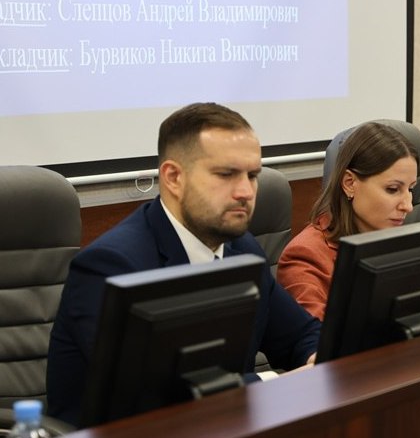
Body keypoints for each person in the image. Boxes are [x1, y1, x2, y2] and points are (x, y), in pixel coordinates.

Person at [46, 103, 321, 427]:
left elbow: (301, 334)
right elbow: (152, 397)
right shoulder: (110, 266)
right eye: (226, 174)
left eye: (252, 176)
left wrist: (317, 357)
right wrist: (272, 384)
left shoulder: (242, 250)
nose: (246, 192)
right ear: (174, 177)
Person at [276, 122, 418, 320]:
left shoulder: (397, 242)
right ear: (349, 183)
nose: (408, 206)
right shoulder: (305, 256)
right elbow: (319, 335)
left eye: (410, 189)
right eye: (393, 189)